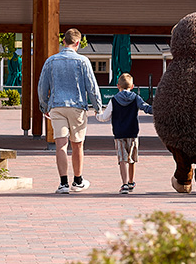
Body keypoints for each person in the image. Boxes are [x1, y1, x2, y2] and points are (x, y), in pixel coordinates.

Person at [37, 27, 100, 193]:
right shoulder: (83, 61)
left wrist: (44, 106)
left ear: (63, 42)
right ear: (78, 43)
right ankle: (78, 180)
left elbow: (42, 86)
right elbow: (91, 87)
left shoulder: (51, 61)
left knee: (61, 145)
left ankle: (63, 183)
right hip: (77, 106)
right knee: (77, 144)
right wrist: (97, 107)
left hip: (57, 106)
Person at [96, 72, 152, 195]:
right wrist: (156, 110)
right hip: (133, 132)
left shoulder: (114, 100)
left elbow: (105, 117)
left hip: (119, 133)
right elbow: (145, 107)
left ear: (118, 86)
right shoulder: (136, 97)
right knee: (132, 159)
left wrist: (97, 115)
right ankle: (131, 181)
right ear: (132, 86)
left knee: (122, 159)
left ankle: (124, 184)